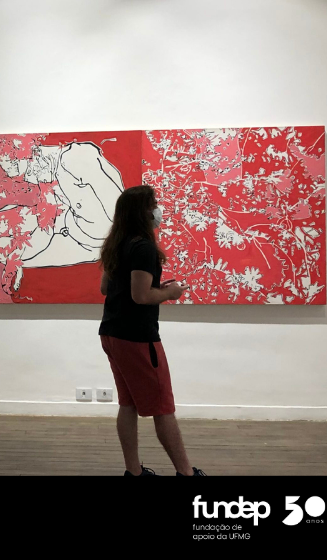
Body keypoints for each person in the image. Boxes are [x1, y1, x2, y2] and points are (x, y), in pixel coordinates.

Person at [98, 185, 206, 476]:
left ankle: (134, 472)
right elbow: (141, 296)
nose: (157, 210)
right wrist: (170, 293)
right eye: (153, 204)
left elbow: (106, 288)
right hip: (137, 337)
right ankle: (186, 473)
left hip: (111, 332)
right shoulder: (144, 248)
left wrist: (155, 288)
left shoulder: (116, 244)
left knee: (128, 404)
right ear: (142, 212)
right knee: (162, 407)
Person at [0, 139, 124, 294]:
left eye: (27, 173)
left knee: (4, 246)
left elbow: (115, 201)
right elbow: (47, 224)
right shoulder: (52, 176)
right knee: (0, 244)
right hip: (78, 232)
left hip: (93, 239)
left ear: (34, 156)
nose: (30, 179)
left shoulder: (74, 158)